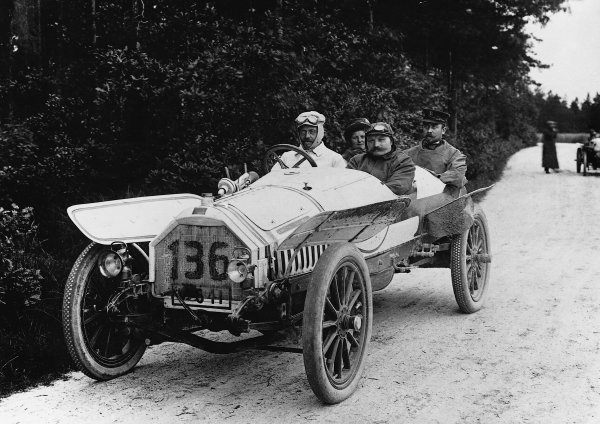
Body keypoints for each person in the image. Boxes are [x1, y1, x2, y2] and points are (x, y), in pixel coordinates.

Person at [347, 122, 416, 196]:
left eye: (381, 140)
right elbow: (344, 183)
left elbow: (397, 187)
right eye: (371, 141)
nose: (376, 145)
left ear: (391, 142)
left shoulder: (403, 161)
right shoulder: (357, 160)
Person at [403, 109, 467, 188]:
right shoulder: (407, 154)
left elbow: (458, 177)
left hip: (443, 199)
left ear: (443, 130)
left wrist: (426, 180)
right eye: (426, 126)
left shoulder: (454, 155)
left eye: (434, 127)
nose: (429, 131)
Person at [272, 111, 346, 169]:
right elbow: (271, 181)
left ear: (320, 133)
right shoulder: (286, 157)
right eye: (303, 132)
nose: (307, 136)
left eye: (311, 131)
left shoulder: (334, 159)